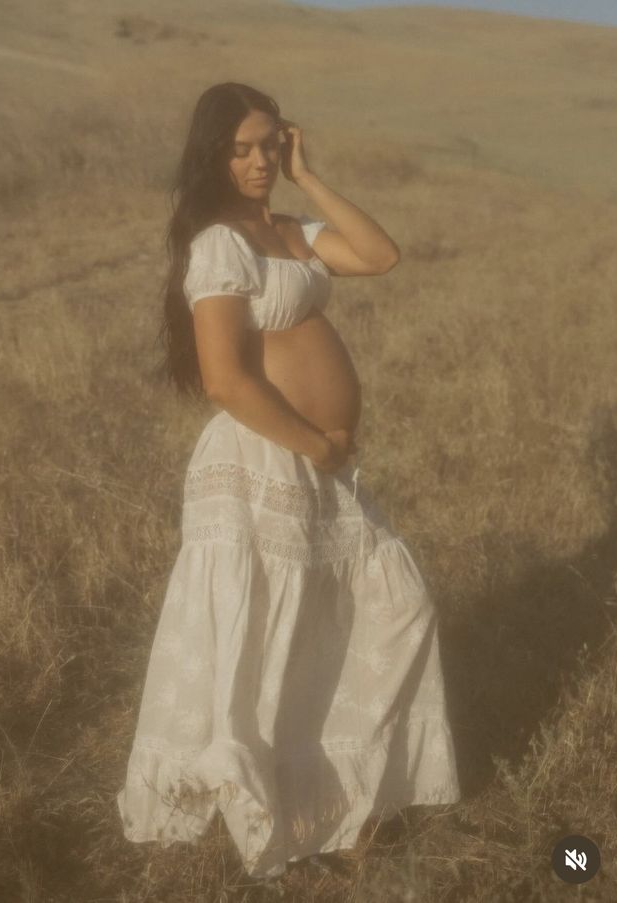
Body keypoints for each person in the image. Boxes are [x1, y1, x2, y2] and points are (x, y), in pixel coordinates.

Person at [117, 81, 460, 881]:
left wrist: (309, 177)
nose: (258, 160)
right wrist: (314, 443)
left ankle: (334, 805)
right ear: (212, 153)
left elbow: (379, 255)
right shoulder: (218, 246)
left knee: (378, 613)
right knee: (267, 638)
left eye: (270, 143)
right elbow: (227, 381)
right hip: (264, 458)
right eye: (241, 148)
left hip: (316, 459)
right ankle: (283, 806)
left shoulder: (284, 230)